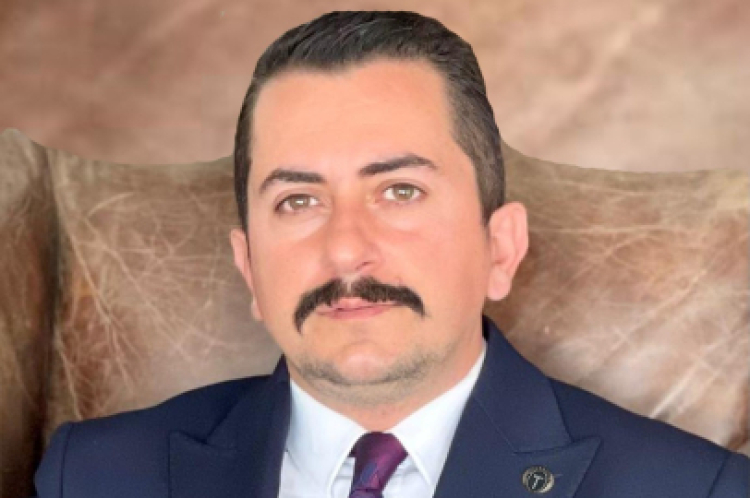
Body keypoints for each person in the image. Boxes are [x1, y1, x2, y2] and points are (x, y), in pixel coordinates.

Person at [33, 10, 748, 498]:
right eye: (298, 201)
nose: (346, 247)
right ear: (249, 268)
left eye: (400, 191)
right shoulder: (92, 477)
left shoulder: (691, 488)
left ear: (501, 249)